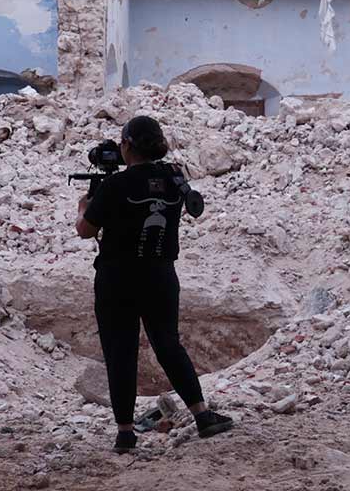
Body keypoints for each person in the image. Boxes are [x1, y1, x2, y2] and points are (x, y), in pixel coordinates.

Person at [75, 115, 233, 453]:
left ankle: (125, 432)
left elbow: (86, 230)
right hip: (160, 274)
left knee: (121, 352)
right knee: (168, 345)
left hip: (117, 279)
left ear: (128, 145)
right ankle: (202, 415)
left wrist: (84, 207)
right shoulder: (175, 178)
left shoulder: (115, 186)